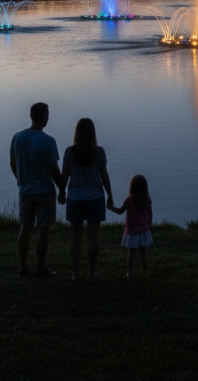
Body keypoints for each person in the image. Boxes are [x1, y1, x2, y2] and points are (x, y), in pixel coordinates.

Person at [9, 102, 63, 277]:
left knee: (25, 227)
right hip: (45, 192)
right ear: (44, 117)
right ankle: (40, 269)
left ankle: (23, 267)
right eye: (48, 115)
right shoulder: (48, 141)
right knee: (43, 230)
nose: (48, 117)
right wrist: (63, 188)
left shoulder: (17, 137)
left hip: (25, 191)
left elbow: (13, 163)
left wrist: (21, 180)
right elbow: (55, 171)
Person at [57, 117, 113, 280]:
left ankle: (75, 273)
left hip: (75, 199)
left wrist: (62, 193)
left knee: (75, 237)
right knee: (93, 238)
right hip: (95, 198)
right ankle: (92, 272)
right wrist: (110, 196)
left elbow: (65, 176)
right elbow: (105, 177)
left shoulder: (69, 151)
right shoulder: (99, 152)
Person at [108, 174, 153, 278]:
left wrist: (111, 208)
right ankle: (144, 273)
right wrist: (149, 225)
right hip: (143, 230)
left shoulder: (129, 201)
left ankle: (129, 273)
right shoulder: (147, 200)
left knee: (131, 253)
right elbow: (150, 214)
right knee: (143, 253)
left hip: (132, 231)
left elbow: (120, 211)